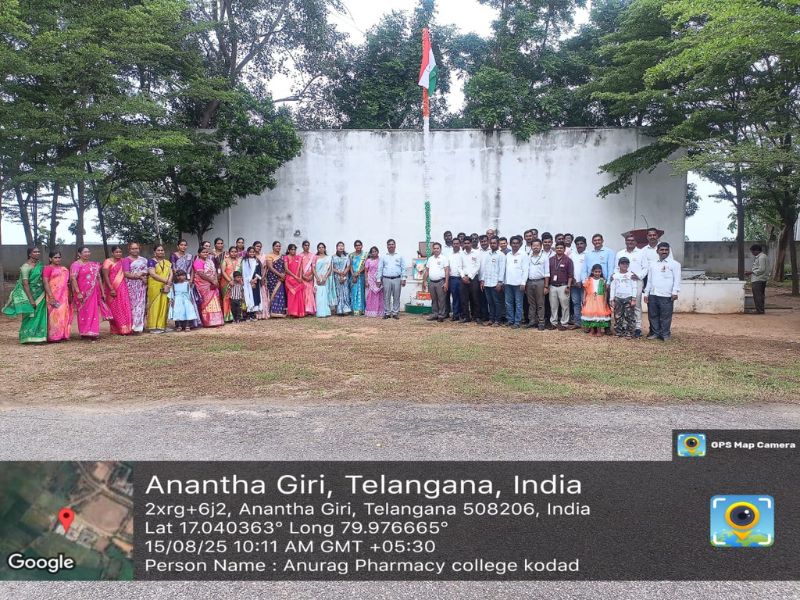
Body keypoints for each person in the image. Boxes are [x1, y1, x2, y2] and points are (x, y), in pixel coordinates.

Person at [3, 247, 47, 343]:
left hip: (41, 294)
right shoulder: (25, 267)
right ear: (30, 254)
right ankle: (27, 337)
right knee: (29, 315)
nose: (37, 253)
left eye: (38, 251)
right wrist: (31, 299)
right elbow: (25, 284)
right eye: (35, 252)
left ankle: (39, 336)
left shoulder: (40, 265)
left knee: (40, 315)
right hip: (30, 294)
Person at [644, 242, 681, 341]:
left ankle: (665, 334)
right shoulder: (652, 264)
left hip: (667, 295)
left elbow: (677, 279)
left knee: (666, 316)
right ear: (657, 251)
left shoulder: (675, 264)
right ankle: (655, 333)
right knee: (653, 315)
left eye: (666, 250)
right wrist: (646, 293)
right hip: (653, 294)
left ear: (669, 251)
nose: (664, 252)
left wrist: (675, 292)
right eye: (662, 250)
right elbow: (649, 280)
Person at [70, 246, 107, 339]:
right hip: (81, 293)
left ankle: (93, 332)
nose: (87, 254)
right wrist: (78, 292)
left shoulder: (94, 265)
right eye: (85, 252)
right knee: (83, 312)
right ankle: (84, 332)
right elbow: (73, 279)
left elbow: (99, 278)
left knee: (93, 311)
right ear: (79, 254)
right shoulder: (76, 265)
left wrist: (102, 292)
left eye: (88, 252)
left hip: (93, 292)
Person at [613, 233, 646, 337]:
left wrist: (639, 276)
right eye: (628, 240)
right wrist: (614, 276)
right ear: (625, 241)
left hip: (636, 281)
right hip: (622, 283)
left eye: (632, 240)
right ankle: (624, 326)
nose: (630, 242)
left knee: (635, 305)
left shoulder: (641, 253)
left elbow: (646, 267)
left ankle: (637, 328)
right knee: (622, 305)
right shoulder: (620, 253)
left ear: (636, 242)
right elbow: (616, 268)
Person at [102, 245, 133, 335]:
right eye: (116, 252)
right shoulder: (107, 262)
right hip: (111, 287)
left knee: (124, 306)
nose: (118, 254)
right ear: (112, 253)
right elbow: (106, 276)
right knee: (114, 308)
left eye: (120, 252)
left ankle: (125, 329)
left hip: (122, 287)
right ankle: (116, 329)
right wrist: (111, 288)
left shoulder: (123, 261)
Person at [42, 250, 72, 342]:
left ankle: (63, 335)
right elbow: (45, 282)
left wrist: (70, 295)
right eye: (55, 257)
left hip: (63, 296)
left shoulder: (64, 269)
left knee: (63, 314)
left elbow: (67, 283)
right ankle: (53, 336)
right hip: (53, 295)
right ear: (50, 259)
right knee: (54, 315)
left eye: (59, 257)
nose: (58, 259)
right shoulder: (47, 268)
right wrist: (50, 296)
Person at [171, 239, 199, 328]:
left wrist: (190, 280)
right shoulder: (174, 255)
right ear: (178, 246)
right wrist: (178, 278)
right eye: (181, 245)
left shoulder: (189, 256)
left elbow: (192, 269)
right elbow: (173, 268)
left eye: (185, 245)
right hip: (178, 281)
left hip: (187, 282)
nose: (183, 247)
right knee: (178, 304)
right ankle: (179, 324)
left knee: (188, 303)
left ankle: (190, 323)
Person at [193, 246, 224, 327]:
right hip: (203, 285)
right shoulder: (197, 262)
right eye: (203, 252)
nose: (205, 254)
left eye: (206, 252)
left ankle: (217, 321)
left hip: (212, 284)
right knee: (205, 303)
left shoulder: (210, 261)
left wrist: (216, 280)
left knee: (214, 301)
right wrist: (211, 280)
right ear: (199, 254)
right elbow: (201, 274)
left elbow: (214, 272)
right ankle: (207, 322)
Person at [377, 239, 406, 320]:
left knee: (396, 296)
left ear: (395, 245)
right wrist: (378, 279)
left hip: (397, 279)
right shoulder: (383, 256)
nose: (391, 246)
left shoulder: (400, 256)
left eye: (392, 244)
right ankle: (387, 313)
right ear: (387, 246)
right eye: (389, 244)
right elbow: (380, 268)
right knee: (386, 296)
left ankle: (395, 312)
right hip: (386, 279)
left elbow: (403, 268)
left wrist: (404, 278)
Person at [123, 242, 148, 333]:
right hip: (131, 285)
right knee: (133, 305)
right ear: (129, 250)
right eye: (132, 249)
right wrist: (140, 276)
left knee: (141, 305)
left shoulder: (144, 260)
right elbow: (126, 274)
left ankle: (139, 326)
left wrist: (143, 275)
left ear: (139, 249)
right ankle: (132, 325)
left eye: (136, 248)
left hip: (141, 286)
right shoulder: (126, 260)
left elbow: (147, 271)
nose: (135, 250)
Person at [146, 244, 172, 333]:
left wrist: (168, 283)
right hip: (155, 286)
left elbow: (170, 273)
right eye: (158, 250)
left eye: (162, 250)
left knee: (165, 305)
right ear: (154, 252)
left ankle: (162, 326)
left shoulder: (168, 262)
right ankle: (153, 327)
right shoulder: (151, 261)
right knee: (155, 305)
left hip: (165, 286)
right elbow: (152, 274)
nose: (160, 252)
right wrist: (165, 280)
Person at [504, 236, 528, 328]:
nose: (515, 245)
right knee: (508, 303)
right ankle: (510, 320)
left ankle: (517, 322)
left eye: (516, 243)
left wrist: (523, 282)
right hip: (508, 283)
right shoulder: (508, 255)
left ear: (520, 244)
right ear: (510, 244)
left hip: (519, 284)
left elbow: (525, 270)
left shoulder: (523, 255)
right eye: (513, 243)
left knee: (518, 303)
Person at [549, 241, 574, 330]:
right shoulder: (551, 259)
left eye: (561, 248)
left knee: (565, 306)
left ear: (564, 249)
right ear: (555, 249)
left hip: (564, 286)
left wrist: (568, 286)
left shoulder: (568, 260)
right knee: (553, 306)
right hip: (552, 286)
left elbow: (570, 275)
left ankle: (564, 323)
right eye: (558, 248)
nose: (559, 249)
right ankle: (554, 323)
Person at [480, 236, 505, 326]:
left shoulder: (501, 255)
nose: (492, 245)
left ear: (498, 244)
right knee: (490, 302)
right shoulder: (488, 254)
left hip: (495, 283)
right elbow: (484, 268)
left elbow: (502, 270)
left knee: (497, 302)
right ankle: (491, 319)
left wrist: (500, 282)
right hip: (487, 283)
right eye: (491, 243)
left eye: (494, 243)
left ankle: (497, 320)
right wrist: (482, 280)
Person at [457, 237, 482, 324]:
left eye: (468, 243)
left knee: (475, 298)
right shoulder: (461, 254)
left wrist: (470, 277)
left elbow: (477, 266)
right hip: (463, 278)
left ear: (471, 243)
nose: (467, 245)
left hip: (473, 278)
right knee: (464, 299)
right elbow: (459, 267)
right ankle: (466, 317)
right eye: (465, 243)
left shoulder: (476, 253)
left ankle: (477, 317)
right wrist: (463, 276)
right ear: (463, 244)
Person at [525, 240, 550, 330]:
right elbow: (525, 270)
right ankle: (532, 321)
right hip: (530, 281)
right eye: (534, 245)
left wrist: (546, 286)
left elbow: (547, 273)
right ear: (531, 246)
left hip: (540, 282)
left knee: (540, 303)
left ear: (541, 246)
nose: (535, 247)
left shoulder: (544, 257)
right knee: (531, 303)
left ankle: (541, 322)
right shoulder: (528, 256)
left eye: (537, 245)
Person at [422, 242, 449, 322]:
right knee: (434, 299)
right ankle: (435, 314)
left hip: (440, 282)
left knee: (441, 300)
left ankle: (441, 315)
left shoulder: (444, 258)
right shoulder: (430, 259)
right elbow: (427, 271)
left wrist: (446, 282)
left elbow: (447, 271)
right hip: (432, 282)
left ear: (440, 249)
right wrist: (424, 281)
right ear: (432, 249)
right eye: (434, 248)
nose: (436, 250)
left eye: (437, 248)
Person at [582, 264, 612, 336]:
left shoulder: (603, 280)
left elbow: (605, 292)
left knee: (599, 315)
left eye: (599, 272)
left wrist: (605, 301)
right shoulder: (589, 280)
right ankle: (592, 330)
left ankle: (599, 331)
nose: (597, 273)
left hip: (600, 300)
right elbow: (585, 290)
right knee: (591, 314)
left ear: (601, 272)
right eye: (596, 271)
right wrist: (584, 298)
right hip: (590, 300)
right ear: (592, 272)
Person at [610, 257, 637, 338]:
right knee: (618, 316)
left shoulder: (631, 275)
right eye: (622, 263)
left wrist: (634, 298)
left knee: (629, 316)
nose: (624, 265)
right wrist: (611, 299)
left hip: (628, 297)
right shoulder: (615, 275)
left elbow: (634, 287)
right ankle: (618, 331)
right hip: (618, 298)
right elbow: (613, 287)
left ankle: (629, 332)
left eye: (626, 263)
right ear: (619, 265)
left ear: (628, 265)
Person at [265, 241, 287, 318]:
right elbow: (270, 268)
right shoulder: (269, 256)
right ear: (273, 247)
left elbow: (285, 267)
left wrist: (283, 274)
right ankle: (272, 312)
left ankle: (280, 312)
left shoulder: (282, 256)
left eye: (279, 246)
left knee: (280, 293)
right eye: (276, 246)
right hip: (272, 277)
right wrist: (280, 274)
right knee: (273, 293)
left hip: (281, 278)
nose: (278, 247)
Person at [220, 245, 241, 322]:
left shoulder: (239, 261)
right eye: (232, 252)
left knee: (236, 299)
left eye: (235, 252)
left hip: (237, 283)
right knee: (227, 299)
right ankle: (227, 317)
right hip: (226, 282)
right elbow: (223, 272)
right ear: (229, 253)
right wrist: (230, 280)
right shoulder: (225, 260)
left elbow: (240, 272)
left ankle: (235, 316)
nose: (234, 253)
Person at [241, 246, 263, 320]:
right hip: (247, 282)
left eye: (253, 252)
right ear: (247, 252)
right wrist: (250, 281)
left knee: (255, 297)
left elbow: (259, 271)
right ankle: (248, 314)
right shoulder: (244, 261)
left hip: (256, 282)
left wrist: (255, 279)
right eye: (250, 252)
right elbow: (244, 272)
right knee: (248, 297)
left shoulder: (256, 261)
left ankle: (253, 314)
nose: (252, 253)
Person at [570, 236, 588, 328]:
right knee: (576, 303)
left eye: (581, 243)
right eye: (577, 244)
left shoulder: (588, 255)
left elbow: (589, 270)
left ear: (585, 244)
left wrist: (582, 281)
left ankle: (586, 322)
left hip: (585, 284)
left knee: (585, 303)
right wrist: (573, 279)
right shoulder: (572, 254)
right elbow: (569, 269)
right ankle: (577, 322)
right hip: (574, 284)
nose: (579, 245)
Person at [284, 244, 305, 318]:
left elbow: (301, 269)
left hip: (298, 279)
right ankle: (292, 312)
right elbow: (286, 269)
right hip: (290, 279)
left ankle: (299, 312)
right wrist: (295, 277)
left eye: (294, 249)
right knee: (291, 296)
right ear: (288, 250)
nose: (293, 251)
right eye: (291, 249)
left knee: (299, 296)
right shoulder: (286, 257)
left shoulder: (299, 258)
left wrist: (299, 277)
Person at [748, 244, 769, 314]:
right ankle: (761, 310)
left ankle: (759, 310)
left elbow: (762, 269)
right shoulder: (763, 256)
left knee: (757, 295)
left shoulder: (761, 257)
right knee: (760, 295)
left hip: (758, 279)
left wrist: (751, 272)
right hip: (761, 278)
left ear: (757, 250)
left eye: (753, 252)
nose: (752, 253)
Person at [332, 242, 352, 315]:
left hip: (345, 275)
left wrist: (344, 273)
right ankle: (339, 310)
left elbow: (348, 266)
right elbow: (332, 267)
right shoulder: (333, 257)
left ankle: (346, 309)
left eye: (342, 246)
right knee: (338, 292)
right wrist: (339, 273)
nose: (341, 247)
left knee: (345, 291)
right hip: (337, 276)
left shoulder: (347, 256)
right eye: (339, 246)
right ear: (336, 247)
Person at [365, 246, 384, 318]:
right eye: (372, 251)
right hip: (371, 280)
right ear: (371, 253)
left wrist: (380, 279)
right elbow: (366, 271)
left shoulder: (381, 260)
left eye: (375, 251)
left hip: (378, 280)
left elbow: (382, 270)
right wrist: (366, 280)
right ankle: (371, 311)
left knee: (379, 295)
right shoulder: (368, 261)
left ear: (378, 252)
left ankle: (379, 312)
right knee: (371, 296)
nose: (374, 253)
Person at [349, 240, 367, 315]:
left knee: (361, 292)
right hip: (353, 276)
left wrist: (358, 273)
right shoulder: (351, 255)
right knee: (353, 292)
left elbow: (365, 265)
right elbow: (350, 265)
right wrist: (353, 274)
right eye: (356, 245)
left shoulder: (365, 255)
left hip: (361, 276)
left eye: (359, 245)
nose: (358, 246)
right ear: (354, 247)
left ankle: (361, 309)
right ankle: (354, 309)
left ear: (362, 246)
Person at [254, 241, 270, 320]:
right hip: (254, 279)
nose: (258, 248)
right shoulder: (252, 256)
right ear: (254, 247)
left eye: (260, 246)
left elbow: (266, 267)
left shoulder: (264, 256)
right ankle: (257, 314)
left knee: (263, 294)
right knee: (256, 295)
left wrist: (263, 277)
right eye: (257, 246)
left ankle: (264, 313)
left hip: (263, 278)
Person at [300, 240, 317, 315]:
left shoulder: (313, 256)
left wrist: (312, 276)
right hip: (303, 277)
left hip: (310, 277)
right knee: (304, 293)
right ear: (302, 246)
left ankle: (310, 310)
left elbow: (314, 267)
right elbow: (299, 268)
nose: (306, 247)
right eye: (305, 245)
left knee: (310, 293)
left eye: (308, 245)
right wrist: (302, 276)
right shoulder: (299, 256)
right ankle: (304, 310)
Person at [447, 238, 462, 321]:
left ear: (460, 244)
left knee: (462, 297)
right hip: (453, 279)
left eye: (457, 243)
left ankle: (462, 315)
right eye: (454, 243)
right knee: (455, 297)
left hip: (461, 278)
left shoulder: (463, 254)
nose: (455, 245)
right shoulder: (450, 255)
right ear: (452, 245)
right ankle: (455, 315)